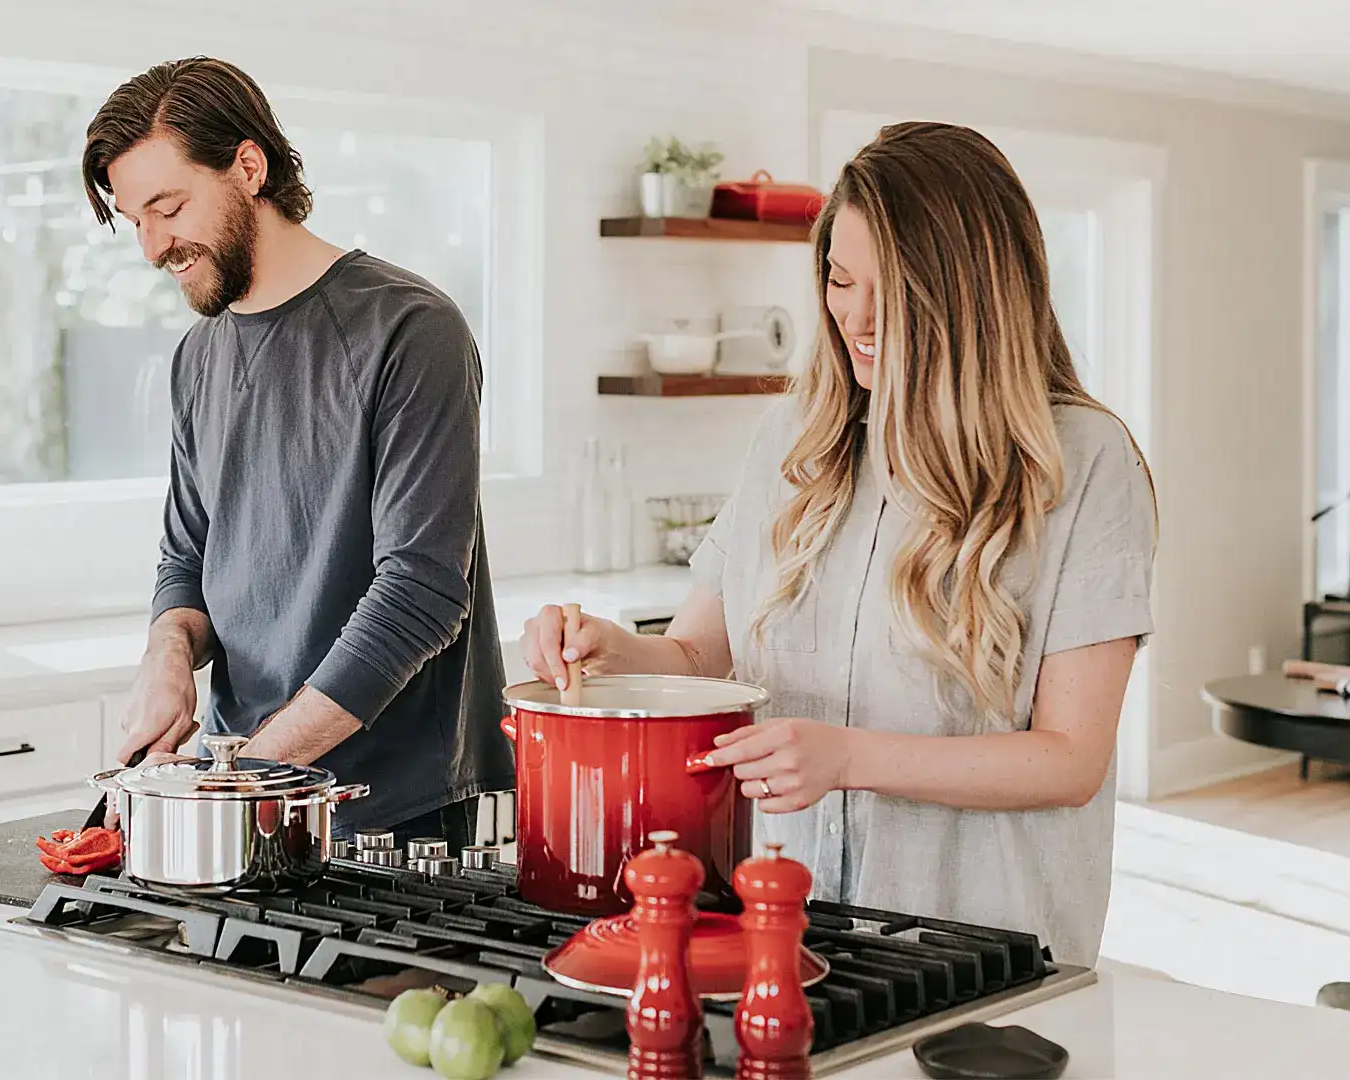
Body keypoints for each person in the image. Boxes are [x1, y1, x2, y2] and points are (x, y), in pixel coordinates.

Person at [520, 122, 1156, 966]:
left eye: (888, 288)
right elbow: (701, 654)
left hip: (979, 946)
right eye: (838, 278)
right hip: (784, 927)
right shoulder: (793, 439)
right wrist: (615, 652)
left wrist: (850, 757)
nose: (855, 316)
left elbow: (1070, 759)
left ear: (972, 292)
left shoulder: (1083, 463)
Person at [82, 57, 511, 850]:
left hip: (390, 811)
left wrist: (243, 780)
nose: (151, 248)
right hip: (237, 784)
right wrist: (167, 655)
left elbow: (422, 593)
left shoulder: (410, 330)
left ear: (249, 167)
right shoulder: (197, 355)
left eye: (167, 208)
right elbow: (189, 556)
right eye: (133, 219)